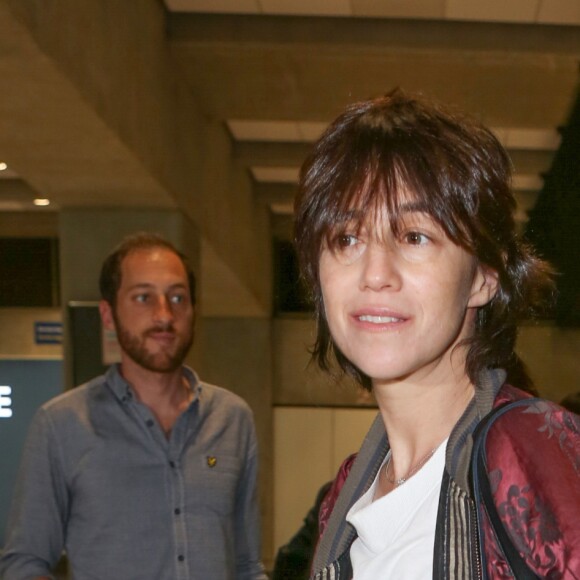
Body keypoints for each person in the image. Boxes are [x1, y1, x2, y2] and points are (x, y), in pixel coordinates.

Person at [293, 89, 580, 578]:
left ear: (483, 277)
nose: (375, 272)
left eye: (414, 236)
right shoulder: (347, 494)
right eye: (347, 238)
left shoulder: (528, 449)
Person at [0, 233, 267, 580]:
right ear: (108, 315)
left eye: (177, 297)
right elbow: (25, 563)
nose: (164, 315)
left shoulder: (232, 419)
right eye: (143, 297)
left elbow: (247, 566)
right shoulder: (61, 424)